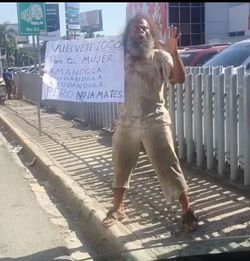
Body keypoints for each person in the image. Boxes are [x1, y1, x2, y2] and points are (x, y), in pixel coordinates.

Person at [102, 15, 198, 233]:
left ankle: (187, 211)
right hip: (126, 121)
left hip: (155, 120)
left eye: (145, 29)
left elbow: (179, 79)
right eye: (136, 29)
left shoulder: (160, 57)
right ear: (129, 34)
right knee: (120, 164)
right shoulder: (118, 59)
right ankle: (117, 208)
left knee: (168, 164)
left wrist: (174, 52)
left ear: (151, 33)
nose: (141, 32)